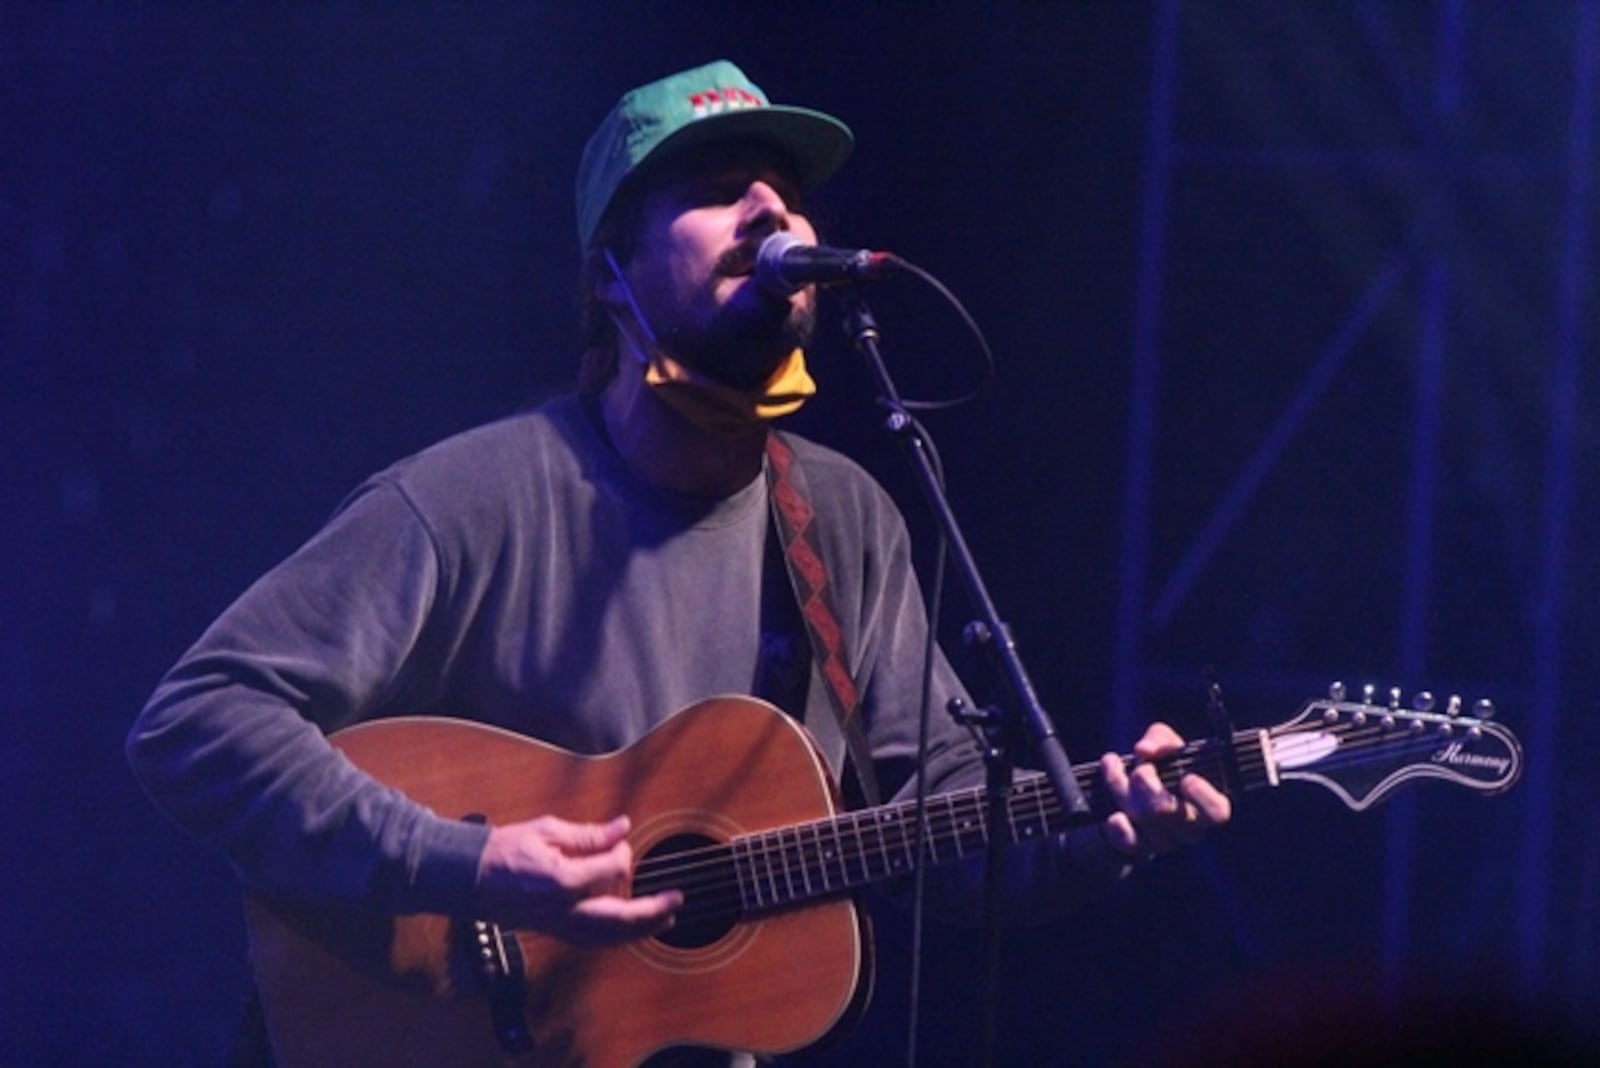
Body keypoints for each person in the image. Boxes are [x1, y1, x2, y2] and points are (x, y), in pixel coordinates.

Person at [127, 60, 1230, 1063]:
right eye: (716, 187)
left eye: (786, 191)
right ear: (610, 277)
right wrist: (465, 864)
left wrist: (1105, 836)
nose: (772, 209)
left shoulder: (840, 514)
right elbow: (196, 723)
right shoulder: (470, 499)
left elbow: (938, 829)